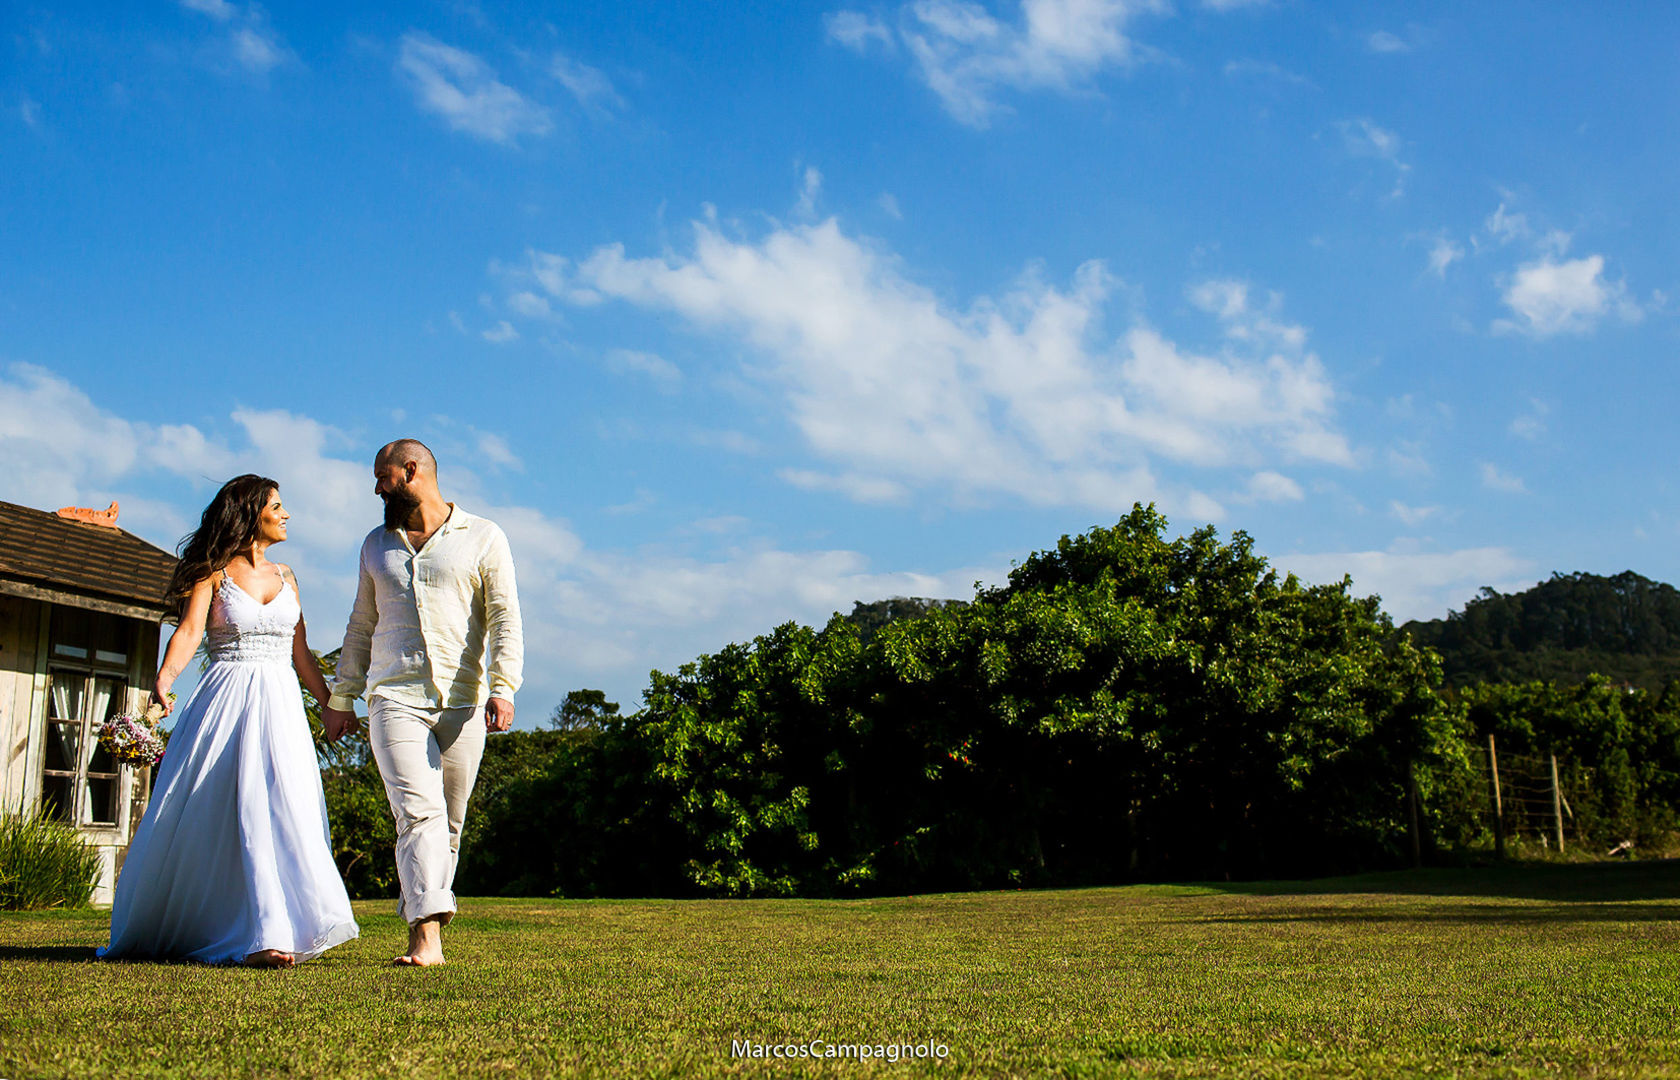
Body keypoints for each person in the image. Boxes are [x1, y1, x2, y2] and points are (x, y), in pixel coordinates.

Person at [101, 475, 359, 967]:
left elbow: (301, 654)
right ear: (250, 514)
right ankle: (252, 933)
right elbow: (190, 631)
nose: (286, 515)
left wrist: (331, 704)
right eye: (277, 507)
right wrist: (164, 679)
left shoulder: (288, 576)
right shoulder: (213, 573)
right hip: (226, 701)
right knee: (229, 806)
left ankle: (277, 926)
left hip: (281, 706)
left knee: (283, 806)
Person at [320, 439, 522, 967]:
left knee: (448, 824)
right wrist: (342, 696)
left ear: (411, 471)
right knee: (417, 812)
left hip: (463, 701)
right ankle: (425, 937)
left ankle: (426, 914)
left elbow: (504, 616)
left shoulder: (483, 536)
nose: (376, 489)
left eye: (382, 477)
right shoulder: (375, 546)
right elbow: (361, 624)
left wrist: (504, 686)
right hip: (394, 696)